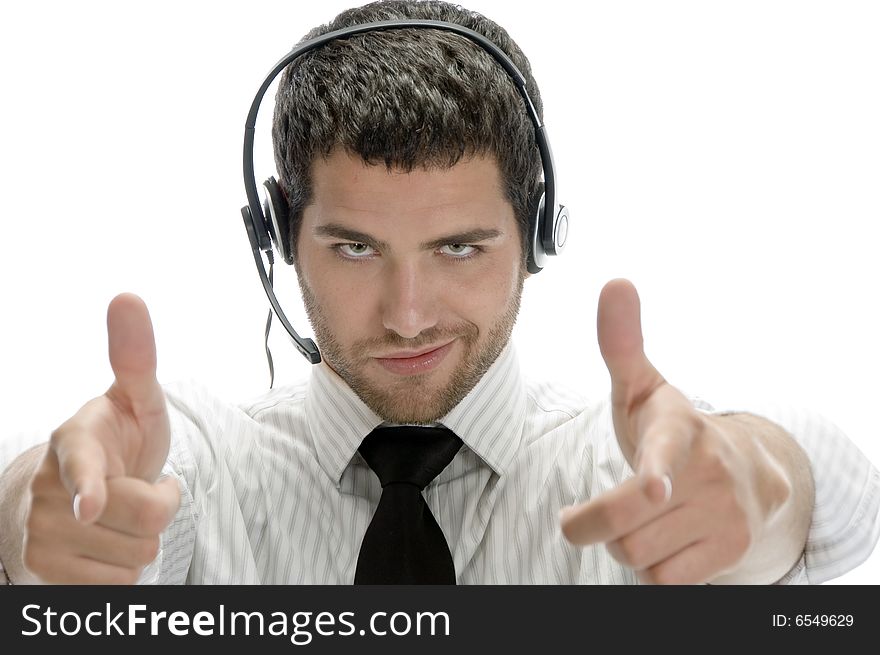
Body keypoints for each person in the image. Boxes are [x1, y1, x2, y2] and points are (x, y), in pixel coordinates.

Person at [0, 0, 878, 585]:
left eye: (459, 246)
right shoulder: (204, 467)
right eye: (353, 247)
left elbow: (838, 501)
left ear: (539, 232)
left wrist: (767, 478)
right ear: (276, 238)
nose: (407, 312)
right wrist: (40, 523)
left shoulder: (628, 474)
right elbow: (62, 513)